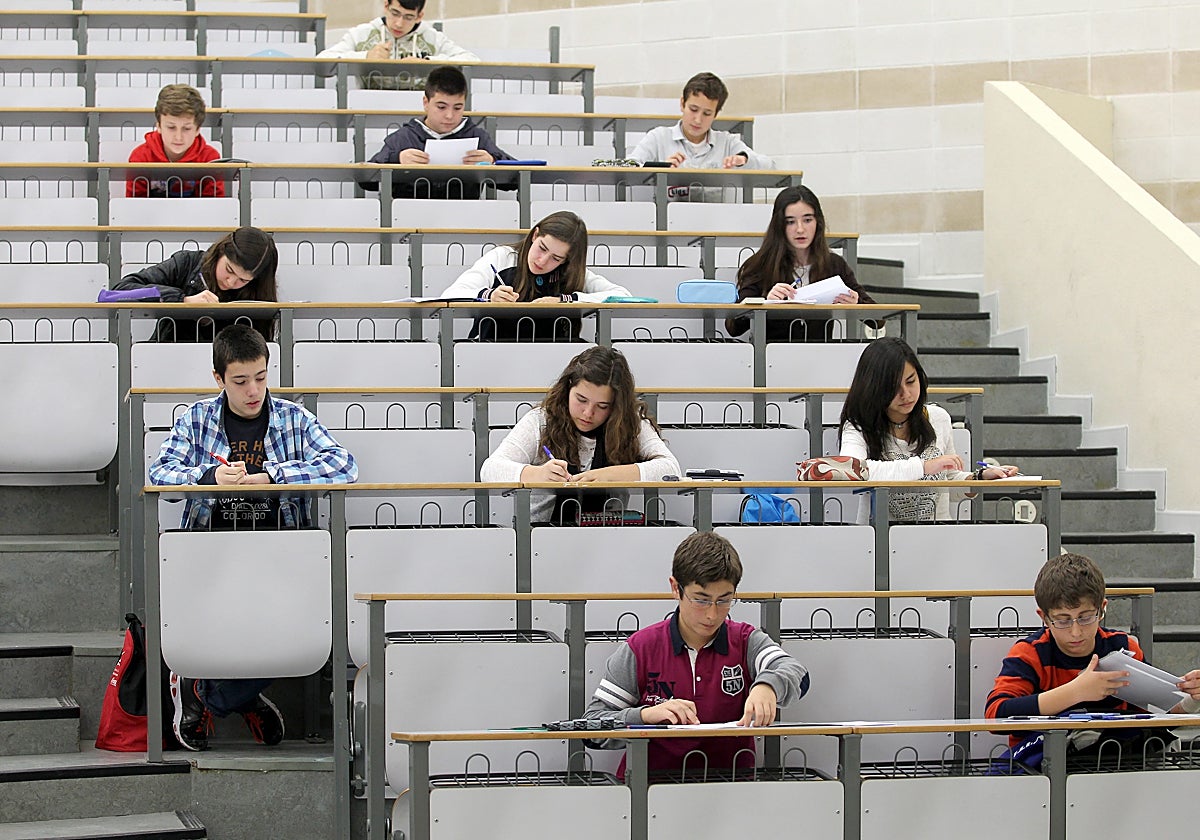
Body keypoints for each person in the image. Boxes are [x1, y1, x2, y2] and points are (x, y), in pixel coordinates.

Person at [149, 324, 358, 751]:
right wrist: (208, 478)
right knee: (235, 622)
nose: (253, 391)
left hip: (282, 554)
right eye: (241, 381)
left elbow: (344, 465)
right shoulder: (197, 419)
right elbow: (159, 475)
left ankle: (208, 692)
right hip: (211, 554)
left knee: (302, 629)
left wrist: (274, 475)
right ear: (219, 379)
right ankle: (240, 697)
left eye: (261, 378)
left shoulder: (294, 418)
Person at [583, 531, 809, 777]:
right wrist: (645, 716)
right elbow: (592, 729)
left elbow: (797, 673)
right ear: (675, 588)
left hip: (732, 787)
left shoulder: (746, 640)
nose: (712, 614)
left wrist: (768, 686)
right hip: (649, 790)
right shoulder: (641, 647)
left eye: (724, 600)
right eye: (701, 600)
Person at [985, 553, 1200, 759]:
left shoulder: (1122, 646)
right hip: (1048, 770)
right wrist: (1076, 692)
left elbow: (1153, 722)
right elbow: (996, 713)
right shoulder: (1030, 652)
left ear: (1102, 609)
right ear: (1044, 617)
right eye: (1062, 620)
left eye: (1086, 617)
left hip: (1116, 764)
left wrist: (1191, 700)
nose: (1076, 631)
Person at [480, 345, 679, 523]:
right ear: (568, 389)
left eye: (602, 406)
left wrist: (612, 475)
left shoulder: (629, 423)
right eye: (581, 400)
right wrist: (538, 474)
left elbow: (670, 469)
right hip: (540, 537)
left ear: (617, 406)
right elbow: (490, 470)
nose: (588, 413)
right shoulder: (541, 420)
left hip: (610, 536)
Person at [838, 337, 1018, 523]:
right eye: (893, 388)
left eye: (911, 381)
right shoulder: (857, 425)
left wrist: (979, 479)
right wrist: (923, 466)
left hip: (937, 535)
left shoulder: (938, 418)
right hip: (879, 540)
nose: (906, 395)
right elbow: (854, 471)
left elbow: (946, 481)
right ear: (874, 388)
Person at [438, 211, 630, 341]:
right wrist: (489, 296)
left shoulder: (572, 273)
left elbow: (624, 297)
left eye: (556, 258)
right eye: (542, 248)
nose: (542, 261)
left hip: (556, 359)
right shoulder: (502, 257)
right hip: (492, 351)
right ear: (534, 235)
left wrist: (567, 300)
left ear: (566, 260)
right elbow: (450, 294)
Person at [726, 185, 875, 343]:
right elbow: (733, 327)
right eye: (790, 222)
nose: (800, 229)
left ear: (818, 222)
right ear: (779, 226)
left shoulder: (834, 264)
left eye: (807, 220)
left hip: (820, 356)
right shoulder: (760, 265)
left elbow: (877, 320)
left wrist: (856, 304)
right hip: (771, 358)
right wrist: (764, 302)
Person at [358, 65, 513, 199]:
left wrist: (492, 161)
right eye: (441, 107)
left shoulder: (478, 137)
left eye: (458, 108)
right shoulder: (403, 137)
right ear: (426, 103)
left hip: (463, 221)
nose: (450, 115)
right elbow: (366, 180)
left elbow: (514, 180)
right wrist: (396, 160)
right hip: (409, 219)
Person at [112, 227, 278, 342]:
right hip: (166, 357)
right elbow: (116, 294)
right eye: (229, 270)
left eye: (243, 280)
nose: (231, 282)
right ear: (221, 251)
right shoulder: (186, 264)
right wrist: (182, 301)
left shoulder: (257, 293)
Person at [317, 0, 478, 90]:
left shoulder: (433, 38)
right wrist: (365, 56)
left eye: (408, 17)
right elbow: (321, 64)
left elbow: (472, 61)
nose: (399, 23)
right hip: (369, 108)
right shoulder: (361, 34)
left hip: (418, 112)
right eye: (395, 13)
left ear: (420, 15)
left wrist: (429, 63)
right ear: (386, 6)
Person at [629, 72, 772, 172]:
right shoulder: (658, 137)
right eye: (693, 109)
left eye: (707, 113)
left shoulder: (727, 142)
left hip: (717, 215)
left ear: (716, 114)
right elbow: (629, 166)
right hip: (669, 214)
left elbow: (771, 166)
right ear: (682, 104)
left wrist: (744, 160)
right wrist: (658, 167)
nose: (698, 119)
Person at [126, 84, 225, 198]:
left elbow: (214, 207)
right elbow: (133, 206)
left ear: (197, 129)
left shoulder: (210, 158)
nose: (178, 137)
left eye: (187, 129)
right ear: (159, 126)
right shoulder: (141, 157)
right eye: (171, 127)